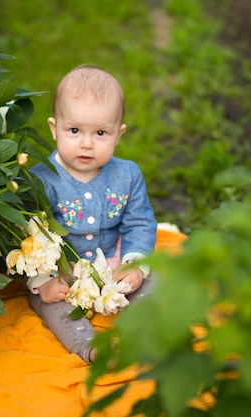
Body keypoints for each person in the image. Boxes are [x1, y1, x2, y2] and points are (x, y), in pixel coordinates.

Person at [28, 64, 157, 363]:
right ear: (54, 128)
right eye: (74, 130)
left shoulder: (127, 175)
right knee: (49, 305)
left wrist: (134, 265)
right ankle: (90, 346)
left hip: (112, 266)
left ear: (118, 134)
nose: (86, 143)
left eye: (100, 132)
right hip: (63, 275)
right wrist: (42, 281)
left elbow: (139, 222)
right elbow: (29, 237)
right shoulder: (42, 179)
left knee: (158, 279)